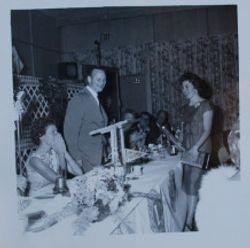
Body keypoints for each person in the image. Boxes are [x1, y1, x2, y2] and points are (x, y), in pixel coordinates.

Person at [179, 72, 214, 231]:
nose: (183, 90)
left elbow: (207, 130)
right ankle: (188, 217)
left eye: (186, 86)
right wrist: (180, 142)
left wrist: (195, 148)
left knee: (193, 184)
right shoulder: (185, 108)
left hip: (199, 148)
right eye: (182, 87)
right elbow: (184, 129)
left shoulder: (206, 105)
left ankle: (188, 222)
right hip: (187, 148)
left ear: (195, 87)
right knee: (186, 184)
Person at [64, 66, 108, 173]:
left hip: (97, 156)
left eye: (104, 80)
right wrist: (76, 158)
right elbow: (70, 131)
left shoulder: (95, 99)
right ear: (89, 79)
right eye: (98, 79)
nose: (102, 82)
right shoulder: (80, 99)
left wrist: (106, 148)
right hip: (85, 158)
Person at [26, 118, 82, 195]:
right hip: (38, 199)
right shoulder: (34, 160)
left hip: (53, 194)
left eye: (57, 131)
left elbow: (79, 173)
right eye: (53, 132)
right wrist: (60, 154)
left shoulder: (54, 152)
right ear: (41, 136)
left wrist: (64, 152)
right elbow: (61, 182)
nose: (58, 135)